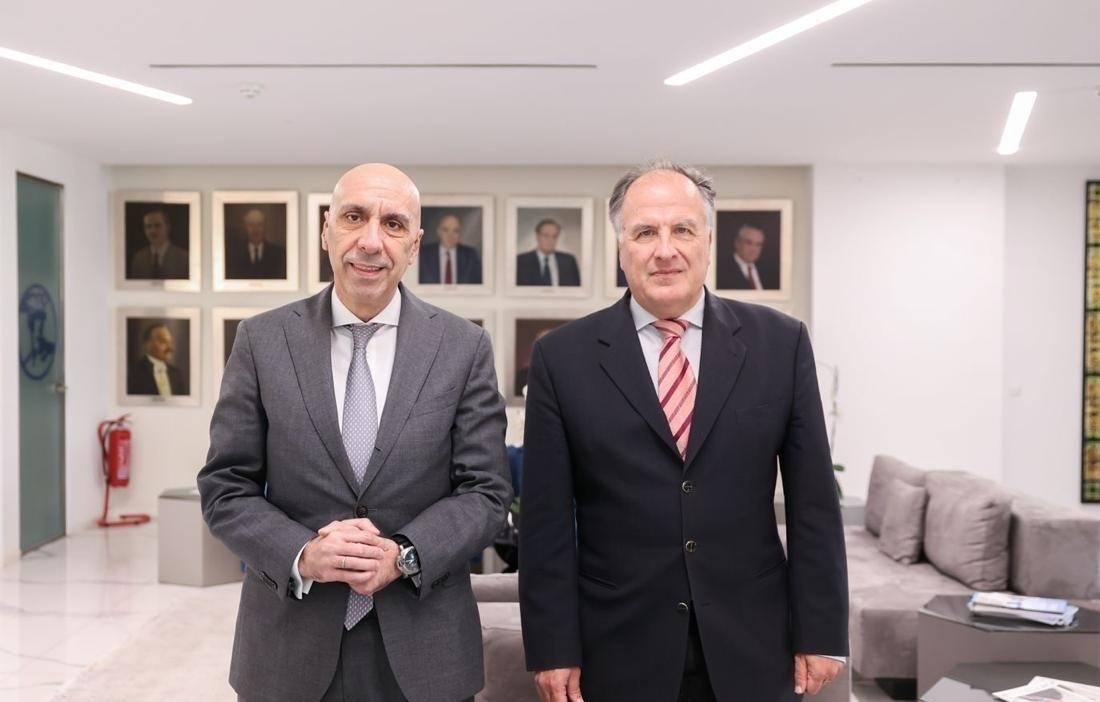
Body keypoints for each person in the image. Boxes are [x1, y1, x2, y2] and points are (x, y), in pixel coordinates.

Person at [518, 161, 848, 701]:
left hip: (754, 639)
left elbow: (814, 504)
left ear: (709, 241)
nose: (665, 250)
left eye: (683, 230)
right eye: (645, 232)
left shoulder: (780, 343)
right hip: (618, 644)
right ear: (621, 247)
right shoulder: (561, 357)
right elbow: (545, 522)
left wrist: (823, 632)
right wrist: (553, 647)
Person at [198, 163, 512, 702]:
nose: (370, 241)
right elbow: (225, 488)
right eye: (353, 217)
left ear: (414, 245)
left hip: (427, 649)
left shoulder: (464, 348)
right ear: (326, 230)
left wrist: (404, 555)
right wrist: (303, 553)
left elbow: (486, 493)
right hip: (288, 647)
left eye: (393, 224)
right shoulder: (262, 340)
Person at [418, 213, 483, 284]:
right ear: (439, 231)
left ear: (460, 233)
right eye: (445, 230)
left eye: (455, 231)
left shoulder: (471, 256)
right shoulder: (424, 254)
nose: (450, 235)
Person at [225, 207, 287, 279]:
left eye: (259, 224)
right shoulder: (234, 253)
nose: (255, 229)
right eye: (251, 225)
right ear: (245, 228)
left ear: (265, 227)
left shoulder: (279, 253)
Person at [515, 218, 580, 286]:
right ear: (537, 236)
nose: (550, 240)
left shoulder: (569, 261)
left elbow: (577, 289)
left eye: (554, 236)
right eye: (546, 235)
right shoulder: (521, 261)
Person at [127, 322, 185, 396]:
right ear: (147, 344)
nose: (170, 347)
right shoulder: (134, 373)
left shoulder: (176, 374)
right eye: (163, 342)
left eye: (170, 342)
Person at [129, 209, 189, 279]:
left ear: (168, 227)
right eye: (148, 226)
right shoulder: (138, 258)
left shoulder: (184, 258)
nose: (153, 231)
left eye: (157, 225)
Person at [717, 224, 776, 290]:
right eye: (749, 243)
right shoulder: (720, 272)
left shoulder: (769, 271)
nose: (753, 249)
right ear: (737, 243)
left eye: (758, 244)